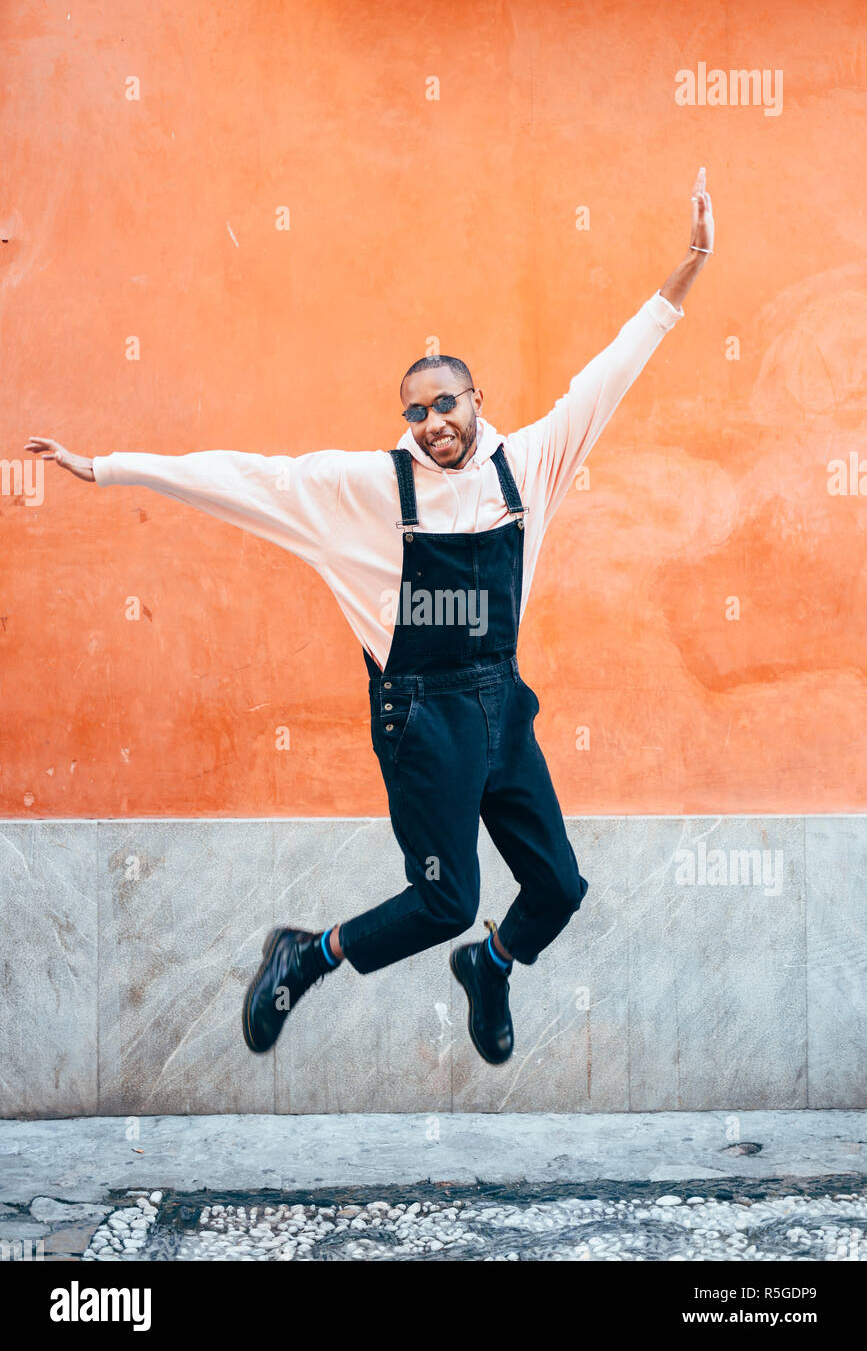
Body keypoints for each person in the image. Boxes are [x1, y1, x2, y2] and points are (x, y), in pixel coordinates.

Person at [26, 169, 713, 1067]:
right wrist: (107, 465)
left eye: (446, 404)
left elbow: (611, 371)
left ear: (478, 403)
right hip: (421, 714)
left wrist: (691, 263)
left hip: (502, 704)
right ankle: (305, 955)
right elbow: (245, 476)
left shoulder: (529, 466)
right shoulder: (363, 490)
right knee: (442, 899)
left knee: (558, 886)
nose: (433, 423)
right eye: (416, 411)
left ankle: (491, 965)